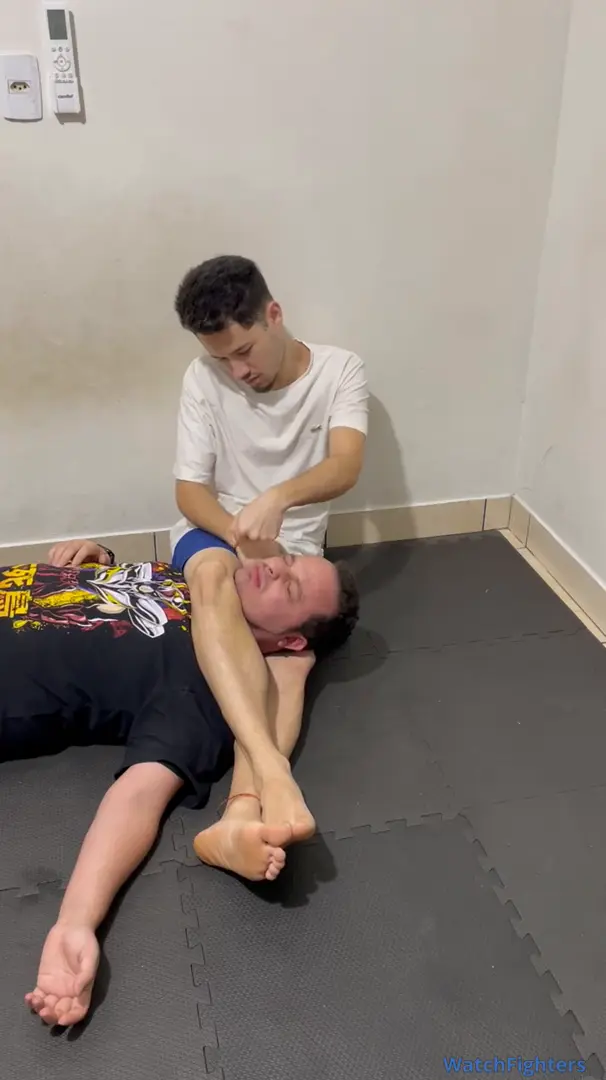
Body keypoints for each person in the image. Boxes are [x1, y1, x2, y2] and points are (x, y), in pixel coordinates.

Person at [2, 535, 358, 1027]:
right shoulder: (201, 576)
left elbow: (139, 795)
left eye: (291, 588)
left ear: (292, 642)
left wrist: (76, 923)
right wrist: (101, 560)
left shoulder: (204, 695)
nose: (276, 568)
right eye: (288, 560)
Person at [170, 255, 367, 766]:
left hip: (293, 548)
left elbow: (346, 465)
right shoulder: (201, 378)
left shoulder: (340, 369)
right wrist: (239, 535)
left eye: (244, 351)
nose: (238, 371)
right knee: (213, 580)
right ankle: (271, 777)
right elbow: (190, 493)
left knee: (292, 660)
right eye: (221, 359)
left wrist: (277, 498)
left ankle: (248, 798)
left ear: (273, 315)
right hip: (214, 533)